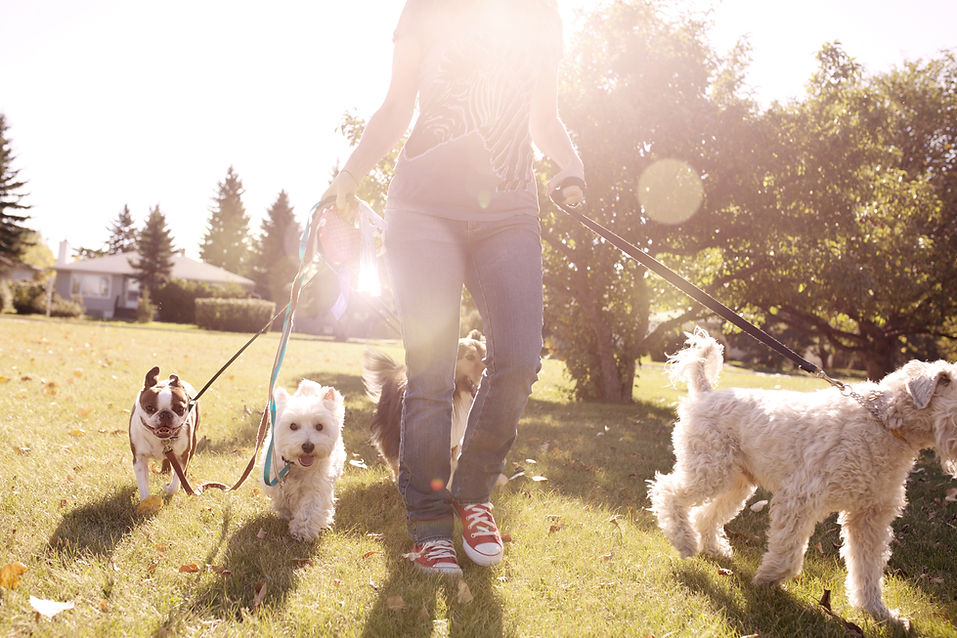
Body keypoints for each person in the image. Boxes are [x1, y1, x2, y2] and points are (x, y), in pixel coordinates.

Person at [324, 0, 585, 575]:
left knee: (517, 357)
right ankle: (428, 522)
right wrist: (349, 175)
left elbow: (545, 118)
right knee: (432, 370)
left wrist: (570, 166)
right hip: (423, 207)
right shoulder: (425, 9)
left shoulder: (542, 16)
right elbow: (396, 106)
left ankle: (472, 495)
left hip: (510, 208)